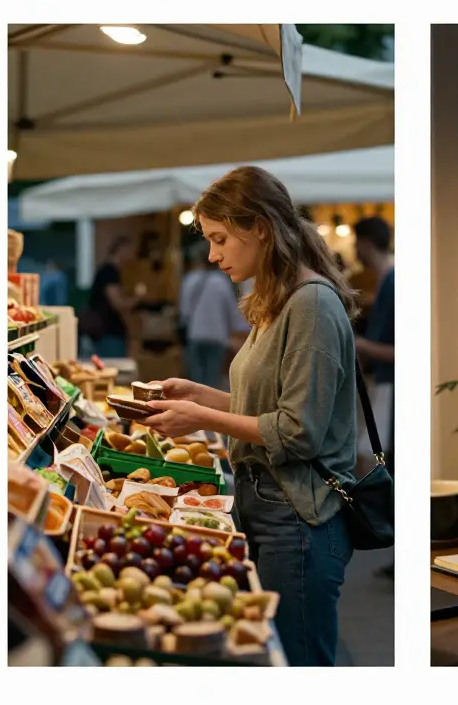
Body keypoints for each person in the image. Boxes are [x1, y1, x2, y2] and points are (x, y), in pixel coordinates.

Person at [142, 166, 357, 666]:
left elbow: (297, 432)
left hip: (299, 516)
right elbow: (266, 408)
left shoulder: (312, 306)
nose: (213, 254)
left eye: (220, 238)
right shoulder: (278, 301)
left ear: (259, 227)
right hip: (268, 508)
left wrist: (201, 416)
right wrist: (199, 395)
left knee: (296, 663)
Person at [352, 216, 396, 578]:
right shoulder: (388, 280)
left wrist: (360, 344)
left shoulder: (394, 281)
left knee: (382, 460)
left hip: (391, 384)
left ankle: (385, 531)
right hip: (384, 383)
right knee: (378, 457)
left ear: (365, 243)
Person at [180, 256, 248, 390]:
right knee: (212, 379)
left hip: (195, 334)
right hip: (217, 336)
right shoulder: (221, 281)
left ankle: (196, 407)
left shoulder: (190, 280)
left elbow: (184, 310)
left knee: (196, 379)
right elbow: (231, 310)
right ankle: (208, 407)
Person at [83, 237, 139, 357]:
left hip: (108, 332)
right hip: (108, 332)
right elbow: (117, 303)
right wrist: (136, 299)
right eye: (130, 251)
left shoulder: (111, 271)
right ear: (121, 250)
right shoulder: (109, 272)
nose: (132, 256)